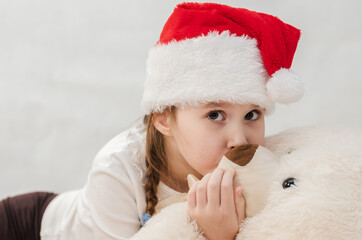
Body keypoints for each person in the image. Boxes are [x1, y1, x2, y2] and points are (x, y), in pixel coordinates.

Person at [0, 2, 303, 240]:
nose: (239, 138)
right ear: (163, 119)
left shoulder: (256, 165)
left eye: (252, 115)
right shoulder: (118, 170)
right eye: (214, 115)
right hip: (27, 227)